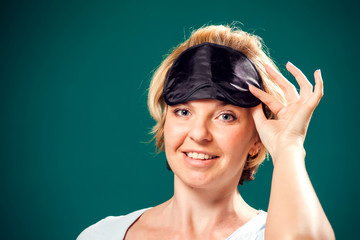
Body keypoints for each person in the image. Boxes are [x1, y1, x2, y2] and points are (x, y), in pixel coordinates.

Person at [77, 24, 335, 239]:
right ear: (165, 123)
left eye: (225, 116)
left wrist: (288, 145)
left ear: (257, 139)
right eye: (183, 112)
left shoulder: (272, 234)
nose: (199, 134)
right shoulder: (102, 235)